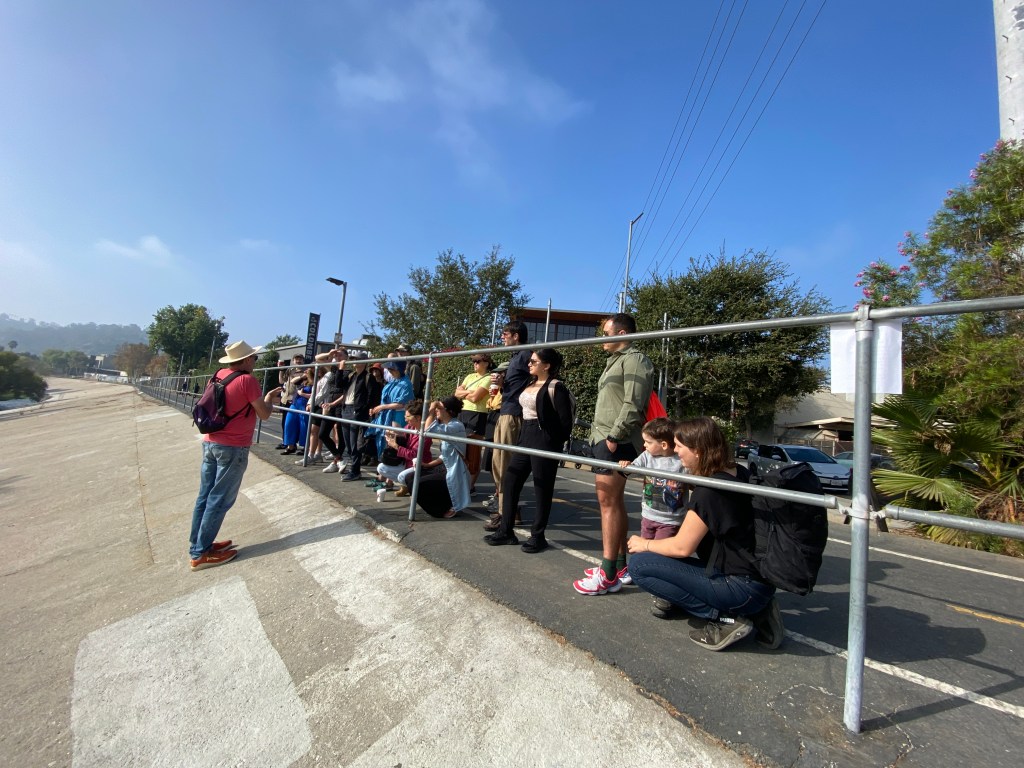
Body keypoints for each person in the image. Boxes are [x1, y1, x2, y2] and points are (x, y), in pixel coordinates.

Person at [626, 417, 782, 651]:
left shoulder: (708, 493)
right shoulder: (736, 472)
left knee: (638, 565)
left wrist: (644, 543)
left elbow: (682, 547)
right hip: (758, 580)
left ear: (697, 451)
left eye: (679, 446)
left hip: (738, 585)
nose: (675, 451)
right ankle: (758, 610)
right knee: (665, 563)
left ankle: (728, 618)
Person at [572, 312, 654, 596]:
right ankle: (619, 566)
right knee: (613, 501)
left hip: (616, 441)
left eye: (606, 334)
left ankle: (607, 574)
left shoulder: (635, 359)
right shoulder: (615, 361)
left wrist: (613, 437)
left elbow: (633, 403)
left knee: (608, 503)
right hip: (604, 438)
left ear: (621, 335)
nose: (602, 340)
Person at [189, 340, 282, 570]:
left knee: (205, 496)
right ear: (246, 360)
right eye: (254, 358)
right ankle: (200, 554)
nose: (255, 361)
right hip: (233, 447)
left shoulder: (220, 374)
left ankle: (199, 544)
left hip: (211, 442)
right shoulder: (247, 380)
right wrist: (269, 398)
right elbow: (264, 414)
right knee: (220, 499)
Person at [485, 348, 574, 553]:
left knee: (542, 488)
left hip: (544, 440)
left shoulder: (556, 387)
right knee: (510, 480)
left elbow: (565, 423)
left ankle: (538, 536)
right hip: (525, 436)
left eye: (534, 361)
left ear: (547, 365)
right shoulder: (530, 382)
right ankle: (506, 531)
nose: (529, 364)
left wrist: (552, 443)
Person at [614, 417, 688, 616]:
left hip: (670, 519)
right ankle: (647, 579)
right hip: (648, 514)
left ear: (663, 444)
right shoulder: (647, 457)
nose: (644, 445)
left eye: (647, 442)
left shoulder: (680, 460)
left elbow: (694, 477)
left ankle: (665, 593)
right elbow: (632, 469)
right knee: (643, 552)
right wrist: (626, 464)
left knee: (663, 556)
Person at [483, 321, 531, 532]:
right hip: (505, 412)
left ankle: (508, 514)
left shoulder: (525, 356)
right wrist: (502, 383)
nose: (502, 337)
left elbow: (533, 381)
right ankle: (506, 510)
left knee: (505, 466)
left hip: (513, 415)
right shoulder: (515, 357)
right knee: (498, 466)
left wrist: (504, 385)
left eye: (505, 334)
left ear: (516, 336)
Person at [419, 396, 472, 518]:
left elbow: (427, 430)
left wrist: (431, 410)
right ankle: (440, 506)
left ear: (449, 411)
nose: (437, 410)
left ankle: (440, 509)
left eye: (439, 408)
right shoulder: (447, 425)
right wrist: (428, 464)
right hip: (446, 467)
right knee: (411, 477)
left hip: (454, 470)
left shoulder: (455, 426)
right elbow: (445, 455)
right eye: (436, 408)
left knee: (421, 483)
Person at [371, 400, 437, 493]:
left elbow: (414, 454)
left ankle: (414, 487)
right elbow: (402, 436)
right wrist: (393, 436)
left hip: (419, 465)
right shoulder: (410, 427)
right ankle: (408, 484)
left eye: (408, 417)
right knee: (381, 468)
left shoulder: (425, 434)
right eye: (405, 416)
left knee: (402, 477)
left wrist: (396, 446)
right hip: (406, 463)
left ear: (418, 418)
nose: (405, 419)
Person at [454, 352, 494, 493]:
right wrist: (469, 393)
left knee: (473, 451)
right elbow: (456, 394)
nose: (475, 363)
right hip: (464, 413)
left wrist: (465, 392)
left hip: (478, 414)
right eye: (474, 361)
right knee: (461, 448)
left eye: (478, 361)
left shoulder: (488, 378)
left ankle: (470, 485)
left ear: (486, 363)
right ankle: (464, 482)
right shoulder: (470, 376)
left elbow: (476, 398)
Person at [368, 354, 414, 459]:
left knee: (396, 440)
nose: (389, 371)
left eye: (391, 369)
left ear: (397, 369)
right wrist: (379, 407)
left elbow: (401, 404)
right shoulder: (393, 381)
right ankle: (386, 464)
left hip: (399, 415)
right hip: (389, 414)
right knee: (387, 439)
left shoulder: (406, 383)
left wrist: (382, 407)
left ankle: (393, 464)